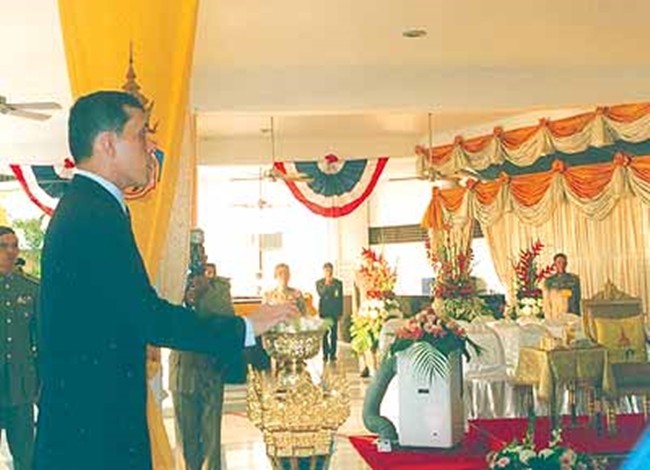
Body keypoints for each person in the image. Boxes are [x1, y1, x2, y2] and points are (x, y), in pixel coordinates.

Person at [34, 90, 296, 470]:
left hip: (89, 426)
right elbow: (146, 316)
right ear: (107, 144)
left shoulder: (91, 206)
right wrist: (244, 327)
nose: (151, 145)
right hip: (93, 436)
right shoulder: (93, 216)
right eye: (140, 134)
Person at [171, 257, 236, 470]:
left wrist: (203, 293)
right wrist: (184, 295)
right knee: (186, 442)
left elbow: (225, 317)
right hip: (182, 372)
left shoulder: (217, 287)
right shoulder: (172, 284)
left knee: (210, 442)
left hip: (210, 371)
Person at [0, 227, 39, 470]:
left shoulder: (32, 289)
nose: (11, 252)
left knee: (26, 459)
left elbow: (42, 340)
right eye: (3, 246)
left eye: (15, 246)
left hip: (20, 388)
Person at [316, 262, 343, 362]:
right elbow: (321, 293)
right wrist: (327, 284)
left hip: (334, 311)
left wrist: (340, 312)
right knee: (324, 333)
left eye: (330, 270)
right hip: (324, 311)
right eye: (326, 270)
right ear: (324, 271)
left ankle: (333, 354)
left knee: (334, 334)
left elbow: (340, 298)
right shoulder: (319, 283)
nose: (328, 272)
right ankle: (325, 353)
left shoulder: (338, 283)